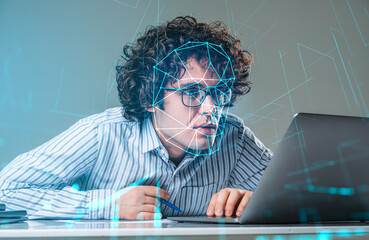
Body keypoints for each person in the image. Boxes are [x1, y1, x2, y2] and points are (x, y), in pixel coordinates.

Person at [0, 16, 272, 220]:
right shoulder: (102, 134)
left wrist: (258, 202)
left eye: (218, 92)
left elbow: (304, 197)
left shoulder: (234, 139)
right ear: (152, 97)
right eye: (191, 92)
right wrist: (107, 206)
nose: (211, 108)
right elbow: (6, 192)